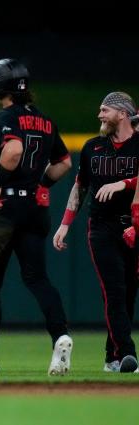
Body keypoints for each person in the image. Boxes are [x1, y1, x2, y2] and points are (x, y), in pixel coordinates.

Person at [0, 58, 73, 377]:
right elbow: (63, 163)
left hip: (5, 210)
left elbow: (12, 152)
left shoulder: (4, 117)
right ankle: (60, 335)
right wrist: (40, 184)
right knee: (38, 278)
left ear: (0, 86)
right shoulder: (46, 121)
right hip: (36, 209)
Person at [56, 92, 139, 373]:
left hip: (133, 226)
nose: (99, 115)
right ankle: (128, 354)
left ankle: (112, 357)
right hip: (101, 226)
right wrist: (65, 224)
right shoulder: (93, 147)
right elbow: (79, 187)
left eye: (105, 110)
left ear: (123, 114)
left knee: (128, 294)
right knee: (114, 291)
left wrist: (123, 183)